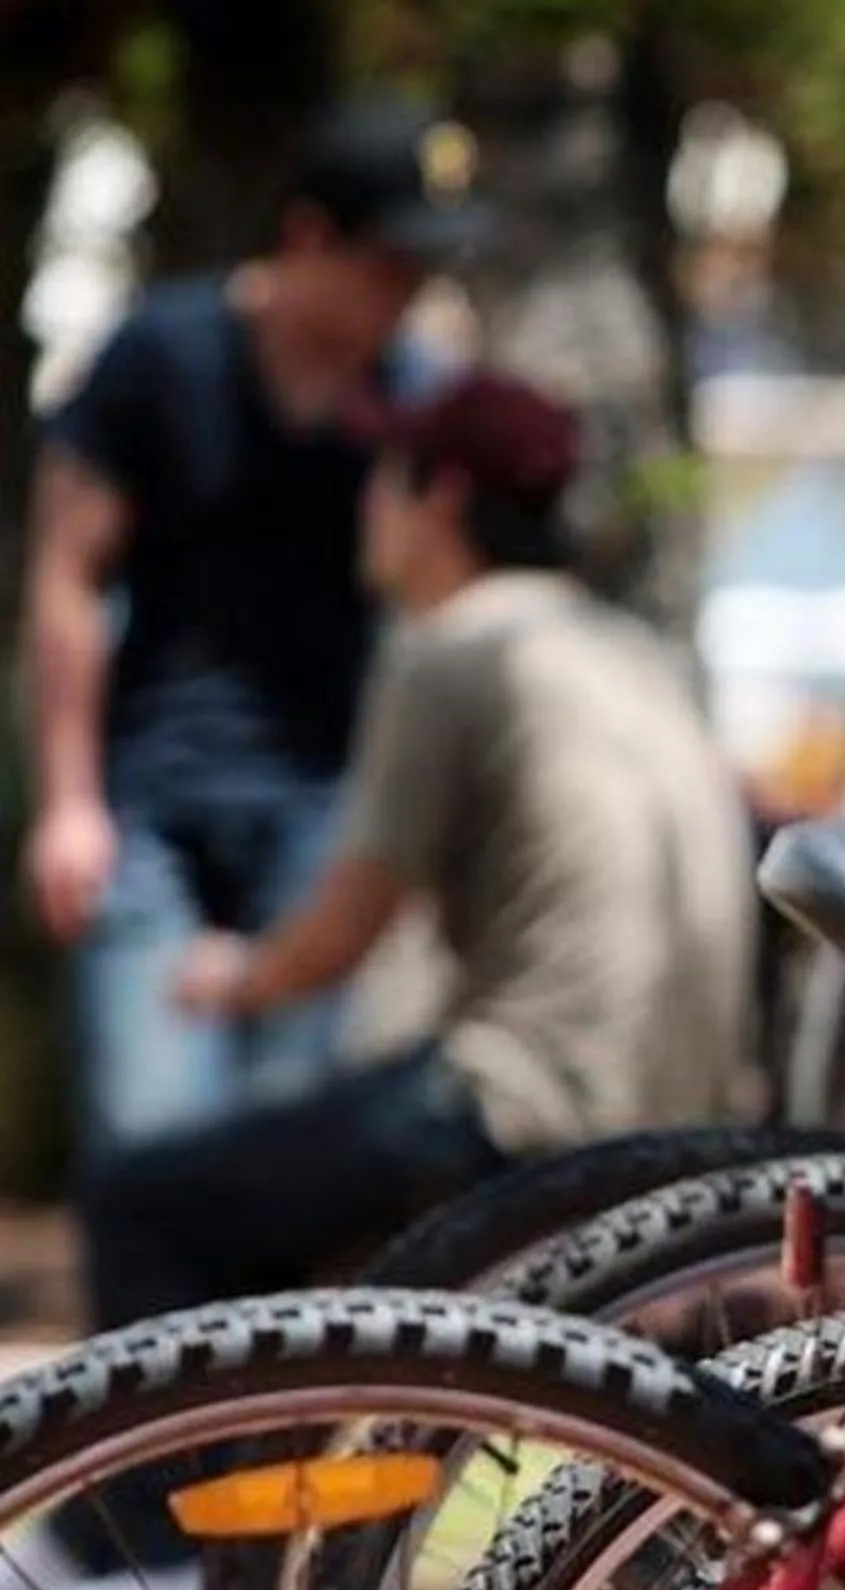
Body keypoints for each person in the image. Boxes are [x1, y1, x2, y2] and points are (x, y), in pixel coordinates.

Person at [33, 370, 759, 1590]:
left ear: (441, 497)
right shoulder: (620, 642)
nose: (365, 504)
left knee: (152, 1199)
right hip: (671, 1117)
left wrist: (233, 975)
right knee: (281, 1196)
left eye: (385, 476)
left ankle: (153, 1559)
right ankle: (229, 1529)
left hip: (516, 1110)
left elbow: (345, 922)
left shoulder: (457, 648)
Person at [20, 98, 483, 1165]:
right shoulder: (158, 356)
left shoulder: (412, 398)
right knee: (151, 1138)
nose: (409, 292)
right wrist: (68, 802)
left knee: (281, 1156)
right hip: (150, 812)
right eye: (389, 264)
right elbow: (67, 574)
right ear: (309, 236)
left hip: (325, 814)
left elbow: (441, 613)